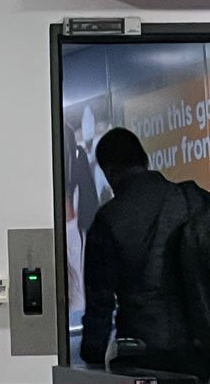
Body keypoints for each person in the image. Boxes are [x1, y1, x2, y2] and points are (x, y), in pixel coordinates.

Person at [80, 127, 210, 378]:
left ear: (109, 172)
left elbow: (100, 304)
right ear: (145, 160)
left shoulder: (108, 219)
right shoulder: (193, 200)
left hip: (143, 353)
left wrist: (92, 357)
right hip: (199, 347)